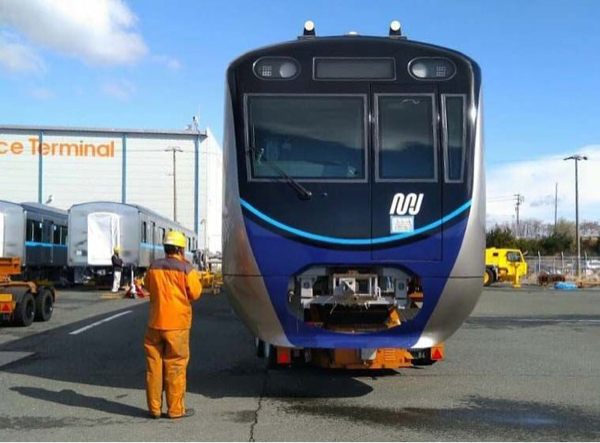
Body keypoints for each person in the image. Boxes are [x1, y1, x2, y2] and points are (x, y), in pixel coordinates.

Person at [143, 231, 202, 419]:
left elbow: (147, 286)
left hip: (155, 323)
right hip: (177, 325)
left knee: (154, 367)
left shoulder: (154, 267)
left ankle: (154, 409)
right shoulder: (186, 269)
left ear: (166, 248)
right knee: (175, 366)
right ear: (180, 249)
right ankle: (175, 410)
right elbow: (195, 293)